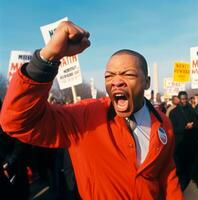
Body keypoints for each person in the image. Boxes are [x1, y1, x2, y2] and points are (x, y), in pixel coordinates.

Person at [0, 21, 183, 200]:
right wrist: (46, 59)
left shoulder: (163, 123)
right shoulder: (84, 116)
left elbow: (167, 175)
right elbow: (17, 122)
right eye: (109, 76)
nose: (116, 81)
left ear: (147, 82)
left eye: (128, 74)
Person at [169, 91, 198, 190]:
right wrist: (184, 127)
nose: (184, 101)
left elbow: (197, 123)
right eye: (182, 99)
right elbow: (172, 129)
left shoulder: (191, 110)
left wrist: (193, 125)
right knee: (180, 166)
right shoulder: (173, 112)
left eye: (185, 99)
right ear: (178, 99)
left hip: (191, 143)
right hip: (180, 143)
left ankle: (187, 179)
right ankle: (181, 183)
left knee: (189, 164)